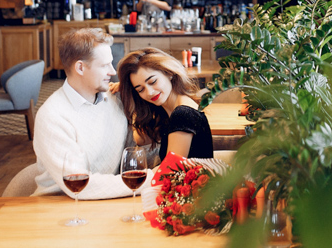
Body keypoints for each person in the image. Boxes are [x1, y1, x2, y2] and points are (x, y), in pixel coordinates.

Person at [32, 28, 145, 198]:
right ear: (80, 67)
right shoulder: (52, 116)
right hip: (58, 206)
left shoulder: (115, 99)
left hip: (106, 200)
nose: (113, 72)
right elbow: (81, 186)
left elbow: (132, 153)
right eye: (104, 65)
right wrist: (152, 178)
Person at [117, 47, 213, 161]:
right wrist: (127, 93)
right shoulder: (166, 110)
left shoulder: (182, 114)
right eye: (140, 89)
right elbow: (141, 139)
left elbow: (169, 171)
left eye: (153, 82)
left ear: (169, 73)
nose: (149, 92)